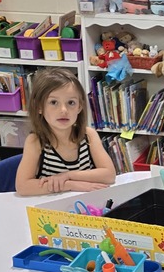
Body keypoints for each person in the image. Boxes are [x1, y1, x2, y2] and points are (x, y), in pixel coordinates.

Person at [15, 68, 116, 196]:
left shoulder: (89, 135)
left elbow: (109, 175)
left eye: (71, 103)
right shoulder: (35, 141)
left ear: (79, 107)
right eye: (53, 102)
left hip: (86, 203)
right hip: (52, 207)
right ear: (39, 107)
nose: (63, 110)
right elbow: (23, 187)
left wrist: (67, 175)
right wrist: (70, 184)